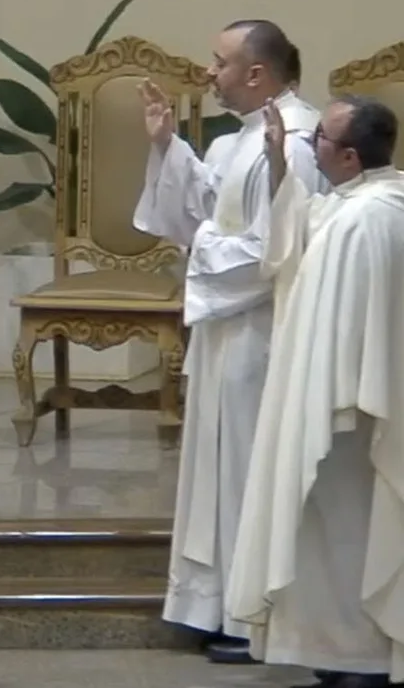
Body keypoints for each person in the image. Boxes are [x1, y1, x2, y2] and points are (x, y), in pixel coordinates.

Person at [132, 19, 328, 665]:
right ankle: (212, 601)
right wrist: (168, 149)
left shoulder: (294, 144)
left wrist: (203, 256)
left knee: (248, 467)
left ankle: (254, 617)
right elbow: (202, 214)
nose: (206, 73)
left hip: (263, 328)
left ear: (256, 73)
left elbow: (277, 248)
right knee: (219, 468)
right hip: (227, 329)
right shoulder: (237, 140)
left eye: (218, 63)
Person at [229, 96, 404, 688]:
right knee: (330, 535)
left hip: (350, 415)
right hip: (345, 407)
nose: (312, 148)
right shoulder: (365, 203)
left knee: (351, 532)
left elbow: (349, 324)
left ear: (350, 156)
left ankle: (362, 656)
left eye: (317, 142)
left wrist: (322, 406)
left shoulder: (368, 220)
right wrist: (280, 161)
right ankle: (339, 651)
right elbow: (304, 225)